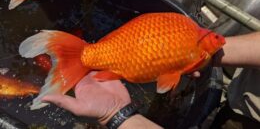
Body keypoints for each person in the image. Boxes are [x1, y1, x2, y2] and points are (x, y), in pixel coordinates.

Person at [42, 31, 260, 128]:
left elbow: (167, 81)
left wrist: (116, 115)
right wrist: (192, 55)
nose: (219, 40)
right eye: (214, 37)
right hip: (244, 107)